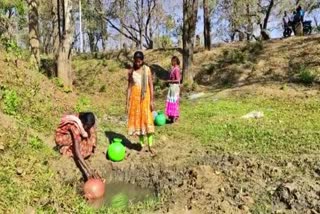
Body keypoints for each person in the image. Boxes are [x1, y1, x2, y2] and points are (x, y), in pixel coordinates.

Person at [126, 51, 155, 156]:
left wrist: (152, 100)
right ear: (134, 60)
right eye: (136, 61)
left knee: (147, 120)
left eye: (140, 61)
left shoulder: (146, 69)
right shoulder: (131, 71)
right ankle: (142, 145)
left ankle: (150, 145)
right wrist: (127, 102)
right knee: (139, 122)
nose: (138, 63)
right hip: (135, 100)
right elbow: (129, 87)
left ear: (142, 60)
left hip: (145, 99)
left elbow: (151, 85)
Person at [55, 112, 100, 179]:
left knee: (92, 135)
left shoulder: (82, 118)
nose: (88, 129)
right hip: (64, 138)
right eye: (87, 127)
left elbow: (92, 130)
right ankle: (66, 148)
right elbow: (77, 151)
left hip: (75, 134)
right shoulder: (74, 126)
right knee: (81, 151)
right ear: (83, 123)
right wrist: (88, 170)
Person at [165, 56, 181, 123]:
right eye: (172, 61)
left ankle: (174, 117)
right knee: (171, 102)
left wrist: (169, 81)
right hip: (172, 87)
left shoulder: (176, 69)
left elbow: (178, 80)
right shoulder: (173, 68)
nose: (172, 62)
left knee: (174, 102)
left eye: (173, 61)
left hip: (175, 87)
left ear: (176, 61)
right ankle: (171, 116)